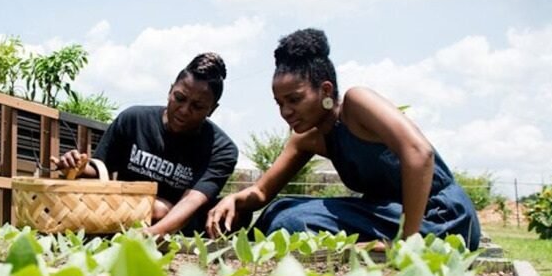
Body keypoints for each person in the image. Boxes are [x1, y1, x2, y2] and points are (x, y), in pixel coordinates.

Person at [206, 28, 481, 249]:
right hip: (386, 212)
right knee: (280, 210)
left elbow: (420, 154)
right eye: (279, 103)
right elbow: (262, 193)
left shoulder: (356, 104)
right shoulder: (307, 138)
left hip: (439, 217)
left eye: (294, 99)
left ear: (326, 90)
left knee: (290, 222)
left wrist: (407, 243)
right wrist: (234, 200)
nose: (286, 111)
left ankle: (395, 243)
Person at [54, 52, 239, 235]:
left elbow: (191, 201)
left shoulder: (221, 149)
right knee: (158, 208)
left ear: (212, 109)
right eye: (179, 98)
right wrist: (77, 167)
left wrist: (151, 234)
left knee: (162, 210)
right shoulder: (133, 120)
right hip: (125, 215)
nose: (184, 110)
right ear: (170, 90)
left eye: (197, 107)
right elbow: (100, 169)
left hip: (178, 228)